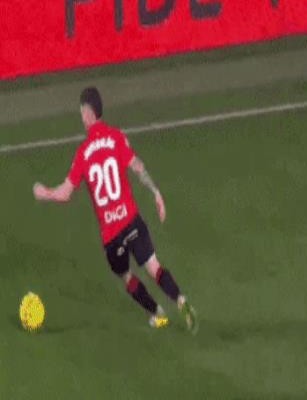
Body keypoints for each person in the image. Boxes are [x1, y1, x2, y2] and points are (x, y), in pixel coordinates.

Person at [33, 87, 197, 333]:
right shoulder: (117, 137)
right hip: (131, 220)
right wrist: (156, 192)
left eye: (81, 112)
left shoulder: (83, 153)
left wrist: (44, 192)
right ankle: (181, 300)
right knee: (154, 267)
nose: (81, 116)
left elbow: (65, 193)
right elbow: (138, 166)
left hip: (111, 235)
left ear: (88, 113)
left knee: (127, 276)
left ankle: (157, 313)